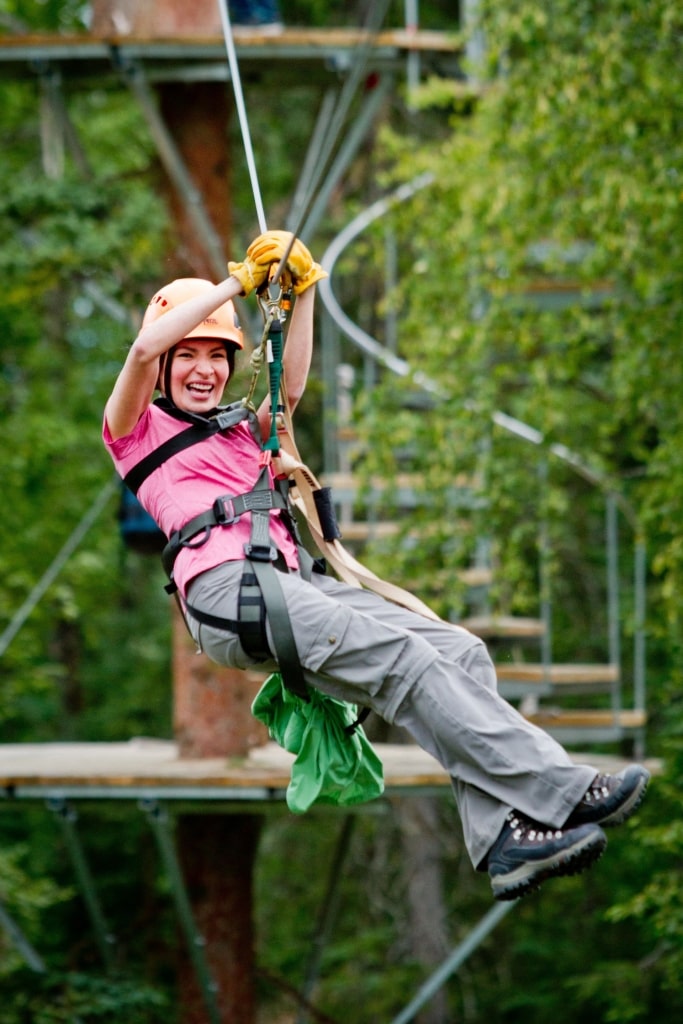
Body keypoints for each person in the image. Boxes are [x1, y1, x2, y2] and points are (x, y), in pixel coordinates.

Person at [103, 231, 650, 901]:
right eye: (186, 356)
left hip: (292, 584)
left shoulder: (241, 429)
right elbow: (140, 348)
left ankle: (503, 840)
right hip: (232, 592)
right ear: (163, 371)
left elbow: (291, 388)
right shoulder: (134, 433)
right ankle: (560, 789)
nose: (201, 369)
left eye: (216, 356)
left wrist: (302, 293)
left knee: (459, 651)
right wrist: (234, 284)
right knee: (403, 661)